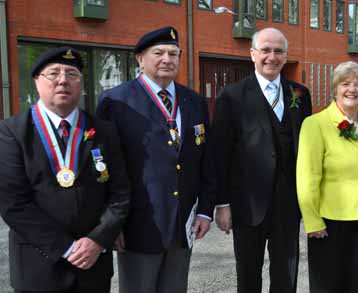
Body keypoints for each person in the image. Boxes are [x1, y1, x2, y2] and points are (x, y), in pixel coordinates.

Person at [0, 47, 131, 293]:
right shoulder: (11, 133)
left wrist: (97, 240)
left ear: (80, 84)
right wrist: (68, 248)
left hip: (93, 265)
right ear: (37, 82)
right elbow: (13, 204)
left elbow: (120, 193)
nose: (63, 80)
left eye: (72, 73)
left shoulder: (104, 131)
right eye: (53, 73)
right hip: (38, 265)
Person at [97, 27, 214, 293]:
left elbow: (206, 159)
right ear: (140, 58)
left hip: (183, 224)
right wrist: (110, 224)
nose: (167, 59)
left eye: (174, 53)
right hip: (138, 225)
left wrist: (206, 209)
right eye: (158, 52)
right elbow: (105, 167)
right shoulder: (116, 101)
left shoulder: (193, 101)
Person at [209, 27, 312, 293]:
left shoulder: (299, 94)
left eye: (278, 51)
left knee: (286, 273)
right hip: (247, 204)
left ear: (286, 55)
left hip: (289, 202)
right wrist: (222, 204)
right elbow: (220, 154)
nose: (272, 56)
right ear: (252, 53)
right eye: (265, 50)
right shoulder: (232, 96)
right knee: (248, 274)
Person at [297, 61, 358, 293]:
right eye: (345, 84)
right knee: (329, 285)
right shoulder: (315, 124)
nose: (352, 90)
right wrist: (312, 220)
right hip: (329, 222)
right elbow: (307, 177)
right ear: (335, 89)